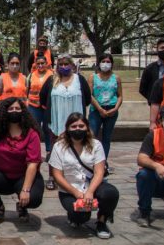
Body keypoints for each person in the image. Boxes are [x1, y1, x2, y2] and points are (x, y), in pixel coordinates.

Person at [49, 112, 119, 239]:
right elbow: (57, 175)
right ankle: (74, 217)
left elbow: (99, 172)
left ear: (87, 128)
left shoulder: (96, 145)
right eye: (74, 126)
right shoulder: (58, 147)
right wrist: (76, 193)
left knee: (110, 193)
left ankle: (102, 221)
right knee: (81, 216)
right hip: (70, 190)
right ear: (68, 128)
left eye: (81, 126)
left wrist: (90, 192)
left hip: (92, 186)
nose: (77, 129)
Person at [0, 98, 44, 224]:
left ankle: (22, 206)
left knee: (34, 199)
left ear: (23, 111)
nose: (14, 111)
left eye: (17, 108)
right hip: (1, 175)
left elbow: (33, 164)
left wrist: (25, 190)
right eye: (11, 109)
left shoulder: (31, 134)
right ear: (4, 111)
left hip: (24, 176)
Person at [39, 53, 92, 190]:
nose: (64, 67)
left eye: (66, 64)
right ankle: (52, 177)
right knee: (55, 150)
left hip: (77, 122)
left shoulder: (80, 80)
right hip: (56, 123)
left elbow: (87, 98)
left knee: (78, 148)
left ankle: (77, 176)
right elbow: (42, 98)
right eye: (61, 64)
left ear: (72, 65)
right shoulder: (52, 80)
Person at [88, 53, 123, 159]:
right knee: (92, 135)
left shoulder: (116, 78)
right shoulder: (93, 77)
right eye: (103, 61)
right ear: (99, 63)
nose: (105, 64)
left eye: (108, 62)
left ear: (112, 64)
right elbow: (90, 95)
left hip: (111, 110)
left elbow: (120, 96)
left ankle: (104, 161)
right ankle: (91, 159)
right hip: (96, 109)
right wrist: (100, 109)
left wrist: (115, 108)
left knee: (106, 137)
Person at [26, 54, 53, 154]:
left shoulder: (52, 75)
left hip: (47, 107)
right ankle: (34, 151)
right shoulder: (31, 75)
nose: (40, 65)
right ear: (35, 64)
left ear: (46, 63)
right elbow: (27, 90)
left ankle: (49, 151)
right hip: (33, 106)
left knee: (47, 129)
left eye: (42, 63)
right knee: (34, 129)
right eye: (38, 63)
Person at [139, 37, 164, 104]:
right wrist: (153, 100)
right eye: (162, 48)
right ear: (157, 50)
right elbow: (142, 89)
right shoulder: (149, 69)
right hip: (157, 106)